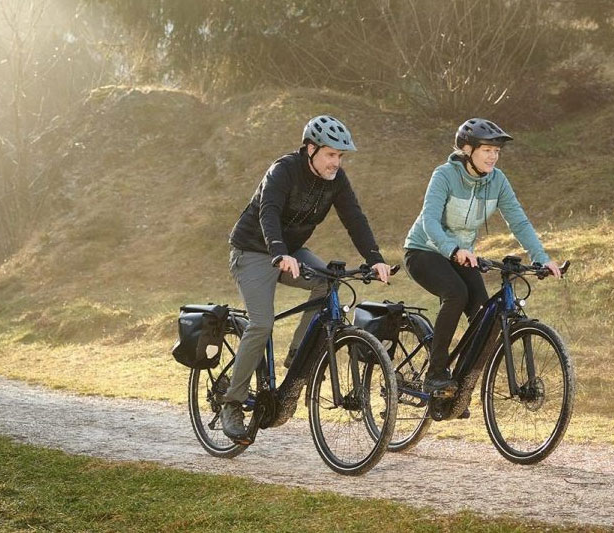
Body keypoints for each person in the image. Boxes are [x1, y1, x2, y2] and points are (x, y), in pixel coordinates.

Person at [222, 115, 391, 443]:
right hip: (253, 250)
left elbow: (354, 218)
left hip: (291, 252)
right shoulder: (283, 170)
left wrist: (376, 259)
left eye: (340, 156)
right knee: (261, 323)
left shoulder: (336, 180)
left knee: (327, 282)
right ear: (310, 149)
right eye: (331, 154)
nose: (336, 162)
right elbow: (267, 212)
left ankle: (298, 353)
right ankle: (232, 402)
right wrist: (278, 252)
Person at [403, 118, 561, 394]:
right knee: (455, 293)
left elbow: (519, 221)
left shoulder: (497, 181)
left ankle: (458, 390)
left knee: (483, 313)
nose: (493, 156)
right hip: (424, 250)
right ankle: (436, 374)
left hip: (462, 256)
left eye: (496, 151)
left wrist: (541, 257)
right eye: (487, 149)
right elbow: (429, 220)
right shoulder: (444, 175)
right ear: (467, 149)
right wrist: (453, 249)